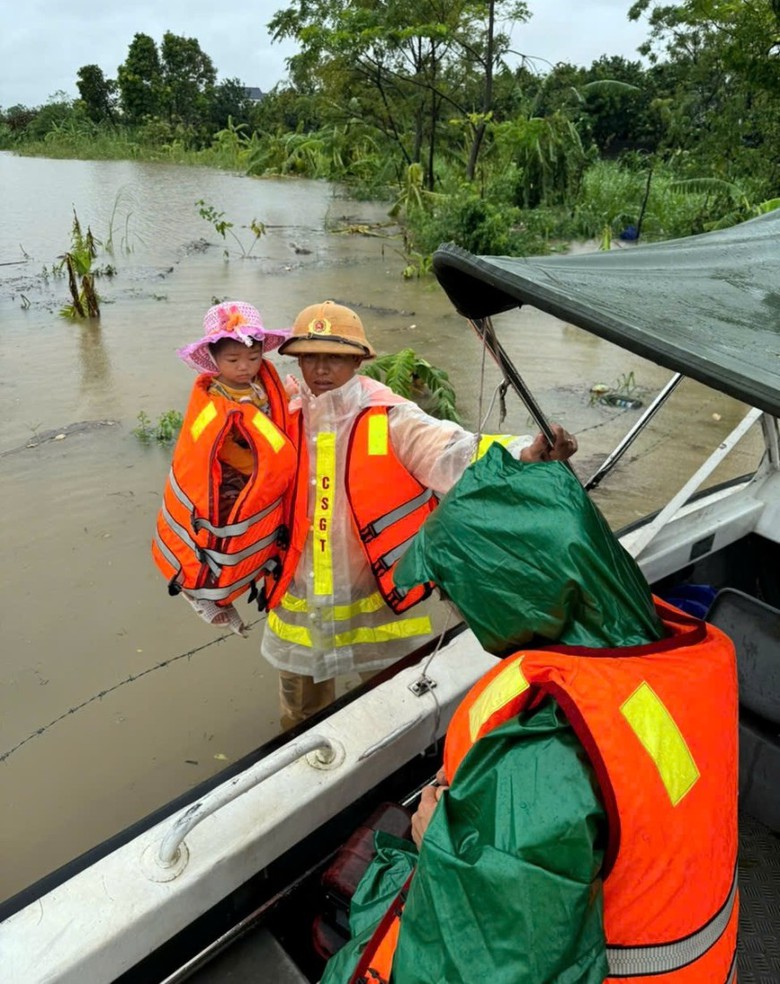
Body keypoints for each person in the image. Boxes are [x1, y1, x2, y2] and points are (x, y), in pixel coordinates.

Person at [320, 448, 739, 984]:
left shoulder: (544, 757)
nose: (455, 607)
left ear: (512, 592)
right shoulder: (681, 659)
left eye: (456, 592)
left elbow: (486, 961)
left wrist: (440, 847)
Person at [261, 299, 579, 730]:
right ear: (296, 359)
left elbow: (456, 451)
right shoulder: (277, 416)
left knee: (390, 713)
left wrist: (526, 452)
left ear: (357, 360)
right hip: (300, 605)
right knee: (302, 718)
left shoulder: (391, 417)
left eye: (335, 356)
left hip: (377, 604)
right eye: (311, 356)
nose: (321, 368)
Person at [152, 301, 299, 637]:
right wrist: (257, 468)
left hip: (264, 469)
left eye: (253, 358)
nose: (244, 367)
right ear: (215, 362)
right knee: (224, 534)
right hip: (235, 476)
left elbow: (268, 415)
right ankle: (202, 591)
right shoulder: (218, 396)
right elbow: (222, 446)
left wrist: (289, 398)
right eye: (233, 361)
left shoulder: (259, 385)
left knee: (261, 534)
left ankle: (237, 583)